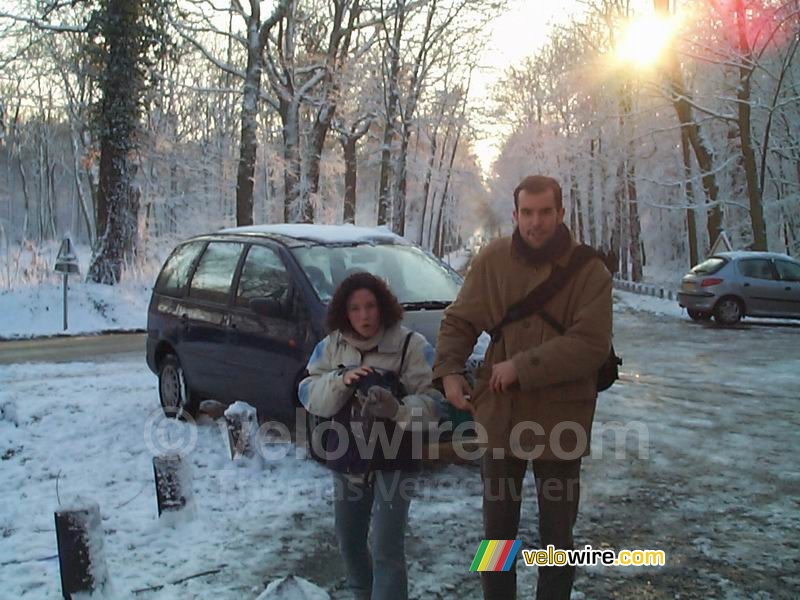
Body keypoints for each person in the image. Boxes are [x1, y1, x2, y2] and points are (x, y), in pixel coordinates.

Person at [433, 175, 612, 600]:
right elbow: (460, 320)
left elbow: (590, 345)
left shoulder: (590, 271)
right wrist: (449, 370)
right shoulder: (494, 259)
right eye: (527, 213)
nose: (536, 223)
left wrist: (521, 366)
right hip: (501, 415)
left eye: (545, 212)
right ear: (514, 215)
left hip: (561, 418)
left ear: (560, 213)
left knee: (557, 542)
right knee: (496, 540)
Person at [298, 272, 440, 600]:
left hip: (395, 459)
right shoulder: (332, 345)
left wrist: (397, 408)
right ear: (344, 313)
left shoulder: (411, 346)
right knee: (349, 541)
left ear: (383, 307)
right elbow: (308, 394)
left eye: (371, 306)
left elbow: (435, 405)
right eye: (355, 308)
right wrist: (341, 381)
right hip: (347, 457)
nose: (364, 316)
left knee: (386, 549)